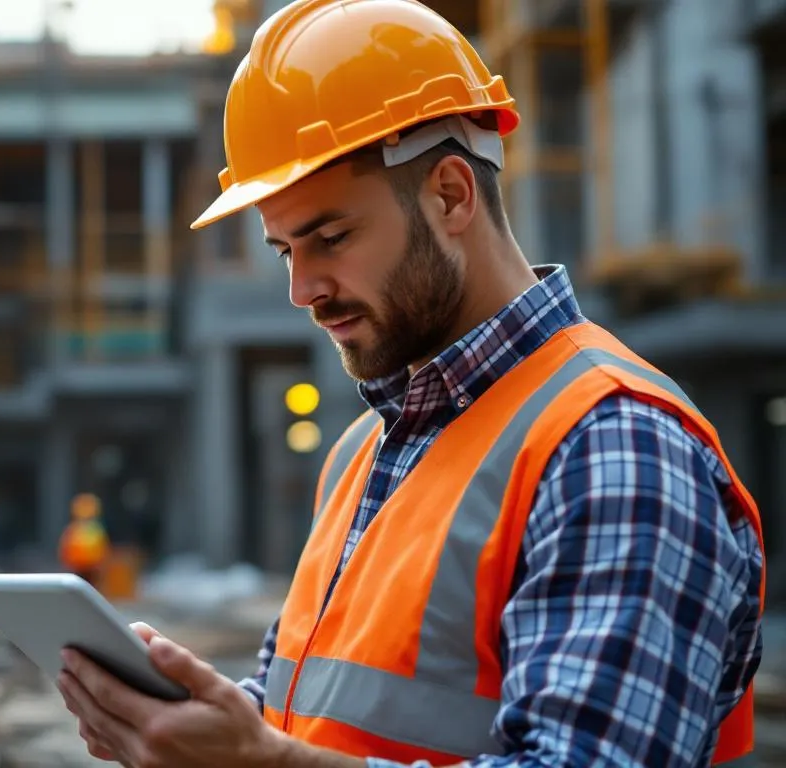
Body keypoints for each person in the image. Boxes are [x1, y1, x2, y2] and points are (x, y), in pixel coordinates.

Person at [54, 1, 766, 766]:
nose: (304, 289)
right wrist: (199, 725)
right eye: (284, 250)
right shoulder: (365, 452)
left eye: (330, 237)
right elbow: (317, 720)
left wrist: (264, 764)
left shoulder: (615, 448)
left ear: (452, 195)